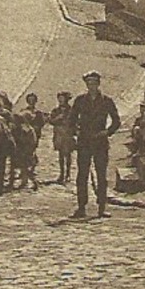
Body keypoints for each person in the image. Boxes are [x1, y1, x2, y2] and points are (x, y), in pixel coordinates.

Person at [70, 70, 121, 218]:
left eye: (94, 83)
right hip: (84, 142)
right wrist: (76, 132)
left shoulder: (106, 101)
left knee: (101, 175)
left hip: (100, 142)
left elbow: (116, 121)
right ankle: (81, 207)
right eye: (88, 83)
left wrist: (107, 132)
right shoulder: (80, 101)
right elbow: (71, 120)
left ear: (98, 84)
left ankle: (102, 207)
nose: (91, 86)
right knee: (82, 175)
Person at [48, 91, 76, 184]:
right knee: (60, 155)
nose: (60, 100)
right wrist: (58, 118)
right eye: (59, 98)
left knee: (68, 155)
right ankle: (61, 173)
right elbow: (51, 121)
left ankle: (68, 174)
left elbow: (76, 121)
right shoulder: (56, 111)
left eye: (62, 98)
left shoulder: (72, 110)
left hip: (68, 134)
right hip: (59, 135)